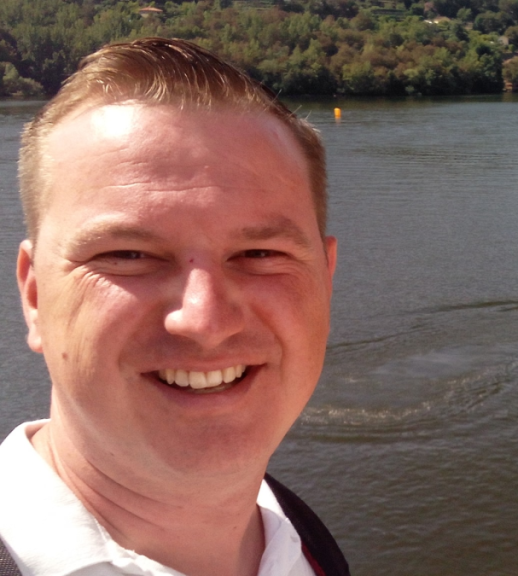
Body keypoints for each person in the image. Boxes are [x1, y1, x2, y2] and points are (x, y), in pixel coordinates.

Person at [0, 38, 349, 575]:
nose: (204, 321)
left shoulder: (301, 540)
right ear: (35, 295)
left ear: (326, 282)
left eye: (260, 253)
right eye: (128, 254)